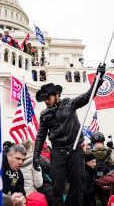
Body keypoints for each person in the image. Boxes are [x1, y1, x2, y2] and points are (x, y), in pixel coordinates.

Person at [32, 63, 106, 206]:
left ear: (57, 95)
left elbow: (87, 96)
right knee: (57, 188)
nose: (46, 101)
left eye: (48, 97)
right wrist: (36, 156)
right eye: (44, 99)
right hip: (58, 153)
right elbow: (41, 136)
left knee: (77, 186)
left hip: (75, 150)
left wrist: (98, 78)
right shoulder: (44, 115)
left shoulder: (69, 104)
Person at [90, 132, 114, 205]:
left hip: (93, 186)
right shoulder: (111, 152)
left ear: (93, 142)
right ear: (103, 142)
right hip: (108, 186)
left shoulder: (88, 154)